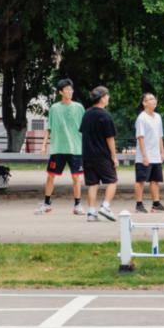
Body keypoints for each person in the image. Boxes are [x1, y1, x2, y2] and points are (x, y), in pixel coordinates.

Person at [37, 78, 85, 215]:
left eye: (71, 89)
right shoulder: (54, 108)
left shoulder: (79, 107)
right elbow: (49, 128)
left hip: (75, 148)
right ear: (60, 92)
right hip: (58, 148)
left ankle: (77, 205)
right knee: (50, 176)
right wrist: (43, 144)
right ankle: (46, 203)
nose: (69, 91)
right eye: (67, 89)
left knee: (76, 178)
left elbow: (85, 127)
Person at [79, 86, 118, 222]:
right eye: (107, 96)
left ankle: (91, 212)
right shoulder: (105, 115)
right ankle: (105, 207)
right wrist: (114, 156)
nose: (108, 98)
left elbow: (83, 133)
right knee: (112, 181)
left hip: (87, 155)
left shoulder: (87, 113)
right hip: (102, 155)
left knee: (93, 184)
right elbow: (110, 138)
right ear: (102, 98)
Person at [134, 93, 164, 213]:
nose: (153, 101)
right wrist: (144, 156)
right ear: (144, 103)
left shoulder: (158, 117)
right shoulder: (141, 118)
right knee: (141, 181)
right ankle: (139, 204)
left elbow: (159, 136)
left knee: (155, 180)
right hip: (144, 156)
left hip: (156, 155)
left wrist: (162, 151)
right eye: (150, 99)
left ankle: (156, 203)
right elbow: (140, 137)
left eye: (154, 99)